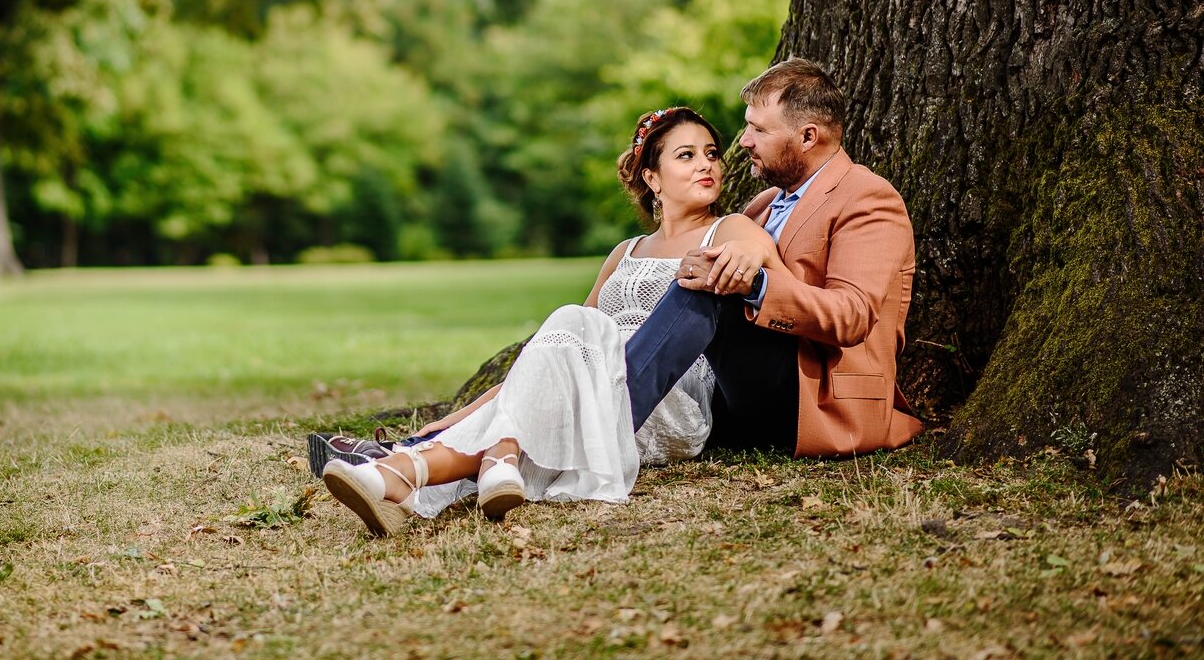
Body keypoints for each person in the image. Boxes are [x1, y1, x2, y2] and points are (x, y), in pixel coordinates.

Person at [322, 106, 780, 536]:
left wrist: (751, 252)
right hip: (586, 384)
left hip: (659, 400)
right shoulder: (625, 252)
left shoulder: (730, 228)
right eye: (687, 155)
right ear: (652, 178)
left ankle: (422, 466)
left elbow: (760, 253)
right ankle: (417, 475)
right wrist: (455, 418)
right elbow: (550, 360)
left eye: (712, 154)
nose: (708, 165)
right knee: (568, 324)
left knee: (571, 326)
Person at [627, 58, 922, 460]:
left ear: (807, 137)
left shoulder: (868, 197)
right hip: (743, 392)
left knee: (717, 285)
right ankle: (586, 408)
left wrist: (754, 285)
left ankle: (608, 424)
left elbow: (852, 315)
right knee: (705, 277)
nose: (744, 140)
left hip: (819, 397)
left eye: (759, 129)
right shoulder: (763, 205)